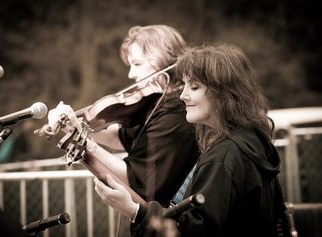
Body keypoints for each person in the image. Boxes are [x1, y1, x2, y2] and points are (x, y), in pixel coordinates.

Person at [94, 43, 286, 237]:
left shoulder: (224, 156)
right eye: (184, 85)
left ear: (224, 94)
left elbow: (197, 230)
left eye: (194, 87)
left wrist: (132, 210)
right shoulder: (252, 139)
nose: (183, 95)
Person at [45, 25, 199, 206]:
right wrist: (74, 126)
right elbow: (119, 138)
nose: (131, 74)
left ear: (164, 61)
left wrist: (84, 141)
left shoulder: (176, 110)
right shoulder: (156, 103)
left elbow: (136, 179)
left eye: (137, 63)